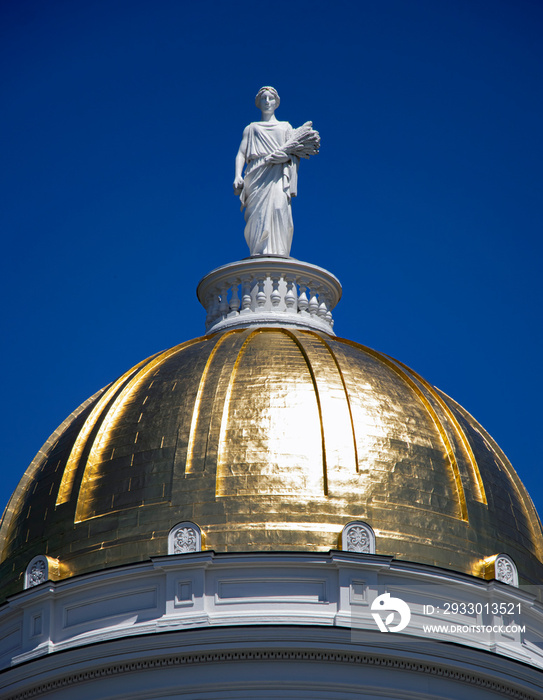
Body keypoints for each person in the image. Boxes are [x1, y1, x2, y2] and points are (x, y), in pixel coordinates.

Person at [233, 87, 298, 257]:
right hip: (256, 172)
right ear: (258, 103)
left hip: (277, 173)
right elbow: (241, 153)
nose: (267, 102)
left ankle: (279, 253)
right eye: (264, 98)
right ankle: (259, 252)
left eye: (271, 98)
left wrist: (284, 157)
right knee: (258, 216)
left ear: (276, 102)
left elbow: (295, 154)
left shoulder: (286, 127)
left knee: (279, 207)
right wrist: (237, 176)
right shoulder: (251, 128)